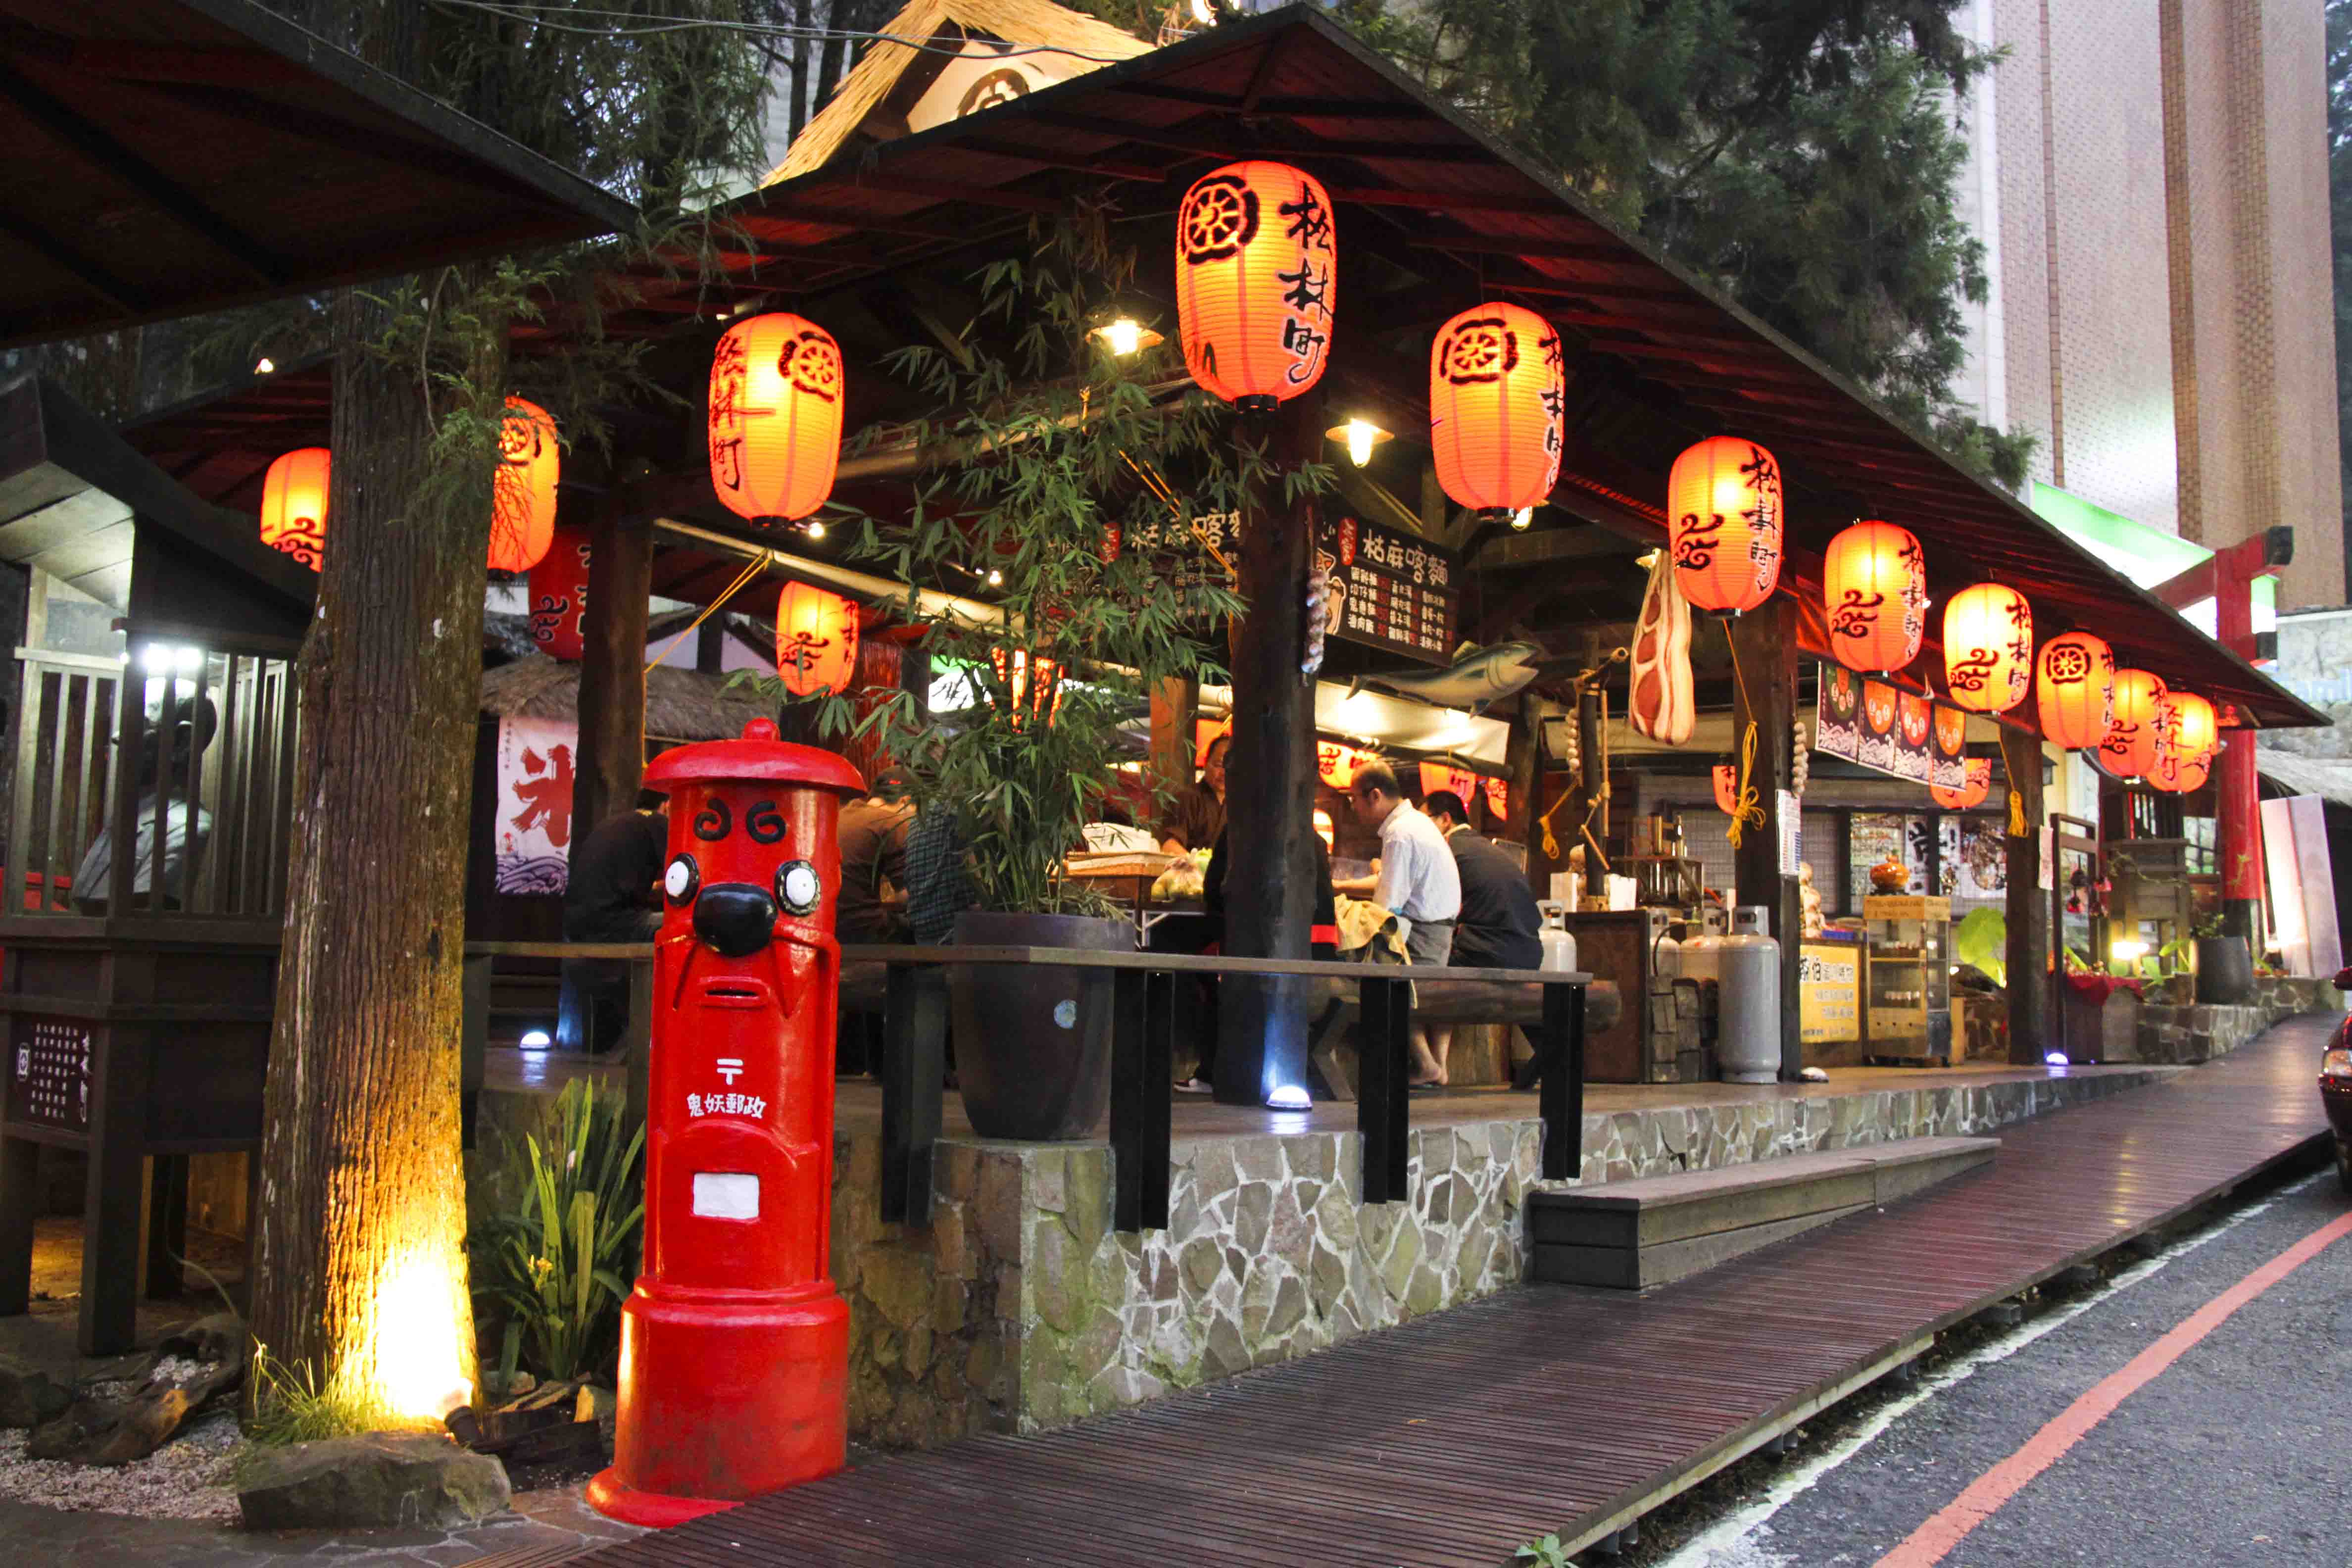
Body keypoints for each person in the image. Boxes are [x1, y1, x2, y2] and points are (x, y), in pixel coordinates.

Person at [1176, 825, 1339, 1094]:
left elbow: (1214, 893)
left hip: (1253, 961)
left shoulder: (1236, 834)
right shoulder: (1317, 841)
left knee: (1208, 971)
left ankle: (1210, 1073)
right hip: (1315, 964)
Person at [1333, 762, 1461, 1086]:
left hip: (1424, 935)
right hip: (1438, 931)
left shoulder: (1400, 834)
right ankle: (1434, 1066)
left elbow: (1387, 906)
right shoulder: (1416, 823)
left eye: (1354, 799)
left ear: (1374, 796)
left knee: (1376, 967)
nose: (1353, 807)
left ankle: (1425, 1064)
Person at [1421, 789, 1542, 1084]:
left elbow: (1426, 898)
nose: (1423, 831)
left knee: (1432, 967)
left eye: (1427, 822)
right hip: (1529, 951)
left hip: (1491, 950)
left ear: (1446, 820)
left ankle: (1433, 1066)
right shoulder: (1484, 847)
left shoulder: (1448, 849)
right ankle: (1439, 1067)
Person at [564, 791, 669, 943]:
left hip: (576, 926)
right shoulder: (657, 821)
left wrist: (656, 888)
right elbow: (683, 881)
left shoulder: (612, 823)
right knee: (688, 925)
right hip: (617, 924)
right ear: (667, 805)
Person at [836, 767, 915, 944]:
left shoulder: (842, 815)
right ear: (905, 801)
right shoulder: (891, 822)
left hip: (828, 924)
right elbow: (907, 896)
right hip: (860, 928)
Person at [1156, 733, 1227, 854]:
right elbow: (1171, 845)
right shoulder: (1186, 798)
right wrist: (1195, 865)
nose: (1224, 773)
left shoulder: (1240, 806)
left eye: (1231, 767)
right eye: (1219, 765)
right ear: (1206, 763)